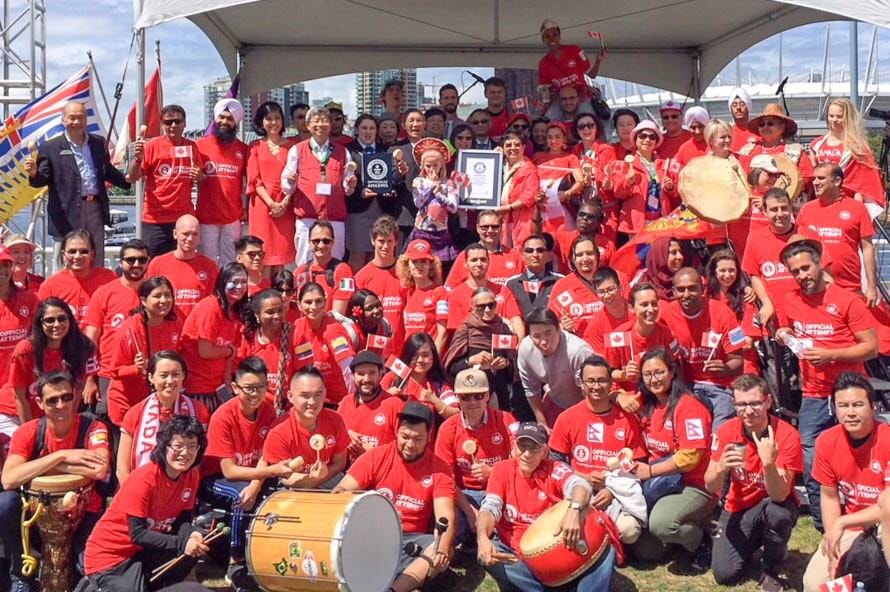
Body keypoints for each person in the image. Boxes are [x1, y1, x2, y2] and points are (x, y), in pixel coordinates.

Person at [776, 239, 877, 531]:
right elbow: (788, 327)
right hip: (814, 393)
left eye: (806, 267)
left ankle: (867, 520)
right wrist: (785, 333)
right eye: (795, 271)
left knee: (862, 456)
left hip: (850, 391)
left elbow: (870, 347)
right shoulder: (791, 299)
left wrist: (831, 355)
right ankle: (825, 527)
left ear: (820, 264)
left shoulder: (847, 300)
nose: (802, 275)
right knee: (812, 456)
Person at [0, 371, 109, 591]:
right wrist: (60, 456)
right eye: (52, 400)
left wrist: (38, 465)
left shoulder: (94, 427)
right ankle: (20, 575)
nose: (61, 405)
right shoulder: (28, 431)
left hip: (84, 511)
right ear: (39, 402)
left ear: (75, 395)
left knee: (85, 570)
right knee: (5, 503)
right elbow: (8, 479)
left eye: (67, 397)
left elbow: (99, 469)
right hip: (37, 514)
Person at [476, 421, 617, 592]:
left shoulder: (555, 469)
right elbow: (490, 508)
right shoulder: (501, 470)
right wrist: (482, 537)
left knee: (604, 550)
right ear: (514, 447)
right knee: (491, 554)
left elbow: (581, 486)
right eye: (522, 446)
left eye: (534, 448)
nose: (527, 454)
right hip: (519, 557)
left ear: (544, 451)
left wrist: (574, 510)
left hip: (558, 552)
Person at [334, 401, 457, 592]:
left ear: (429, 437)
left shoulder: (440, 469)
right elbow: (340, 492)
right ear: (396, 432)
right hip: (372, 535)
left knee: (441, 547)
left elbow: (446, 517)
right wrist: (370, 512)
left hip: (410, 541)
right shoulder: (376, 456)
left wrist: (441, 549)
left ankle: (395, 589)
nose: (410, 445)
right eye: (405, 437)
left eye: (417, 439)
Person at [80, 415, 209, 592]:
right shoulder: (144, 479)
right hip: (110, 556)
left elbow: (183, 520)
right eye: (178, 446)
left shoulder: (191, 475)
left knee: (192, 551)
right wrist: (182, 542)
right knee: (182, 547)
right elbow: (138, 534)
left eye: (192, 446)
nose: (186, 453)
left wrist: (192, 535)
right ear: (164, 446)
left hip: (142, 550)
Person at [705, 374, 803, 590]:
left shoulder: (787, 435)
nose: (748, 411)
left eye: (755, 403)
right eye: (741, 404)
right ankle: (758, 541)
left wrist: (768, 463)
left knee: (779, 513)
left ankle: (771, 569)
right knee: (725, 574)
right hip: (738, 507)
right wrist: (721, 468)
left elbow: (780, 495)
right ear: (734, 404)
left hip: (773, 503)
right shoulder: (726, 431)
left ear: (768, 401)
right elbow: (710, 486)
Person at [801, 372, 890, 592]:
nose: (850, 412)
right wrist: (833, 536)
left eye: (858, 404)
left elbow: (888, 507)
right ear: (835, 408)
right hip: (853, 525)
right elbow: (829, 495)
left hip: (887, 523)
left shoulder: (888, 439)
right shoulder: (826, 441)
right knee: (814, 584)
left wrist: (843, 523)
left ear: (873, 406)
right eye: (843, 405)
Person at [201, 356, 281, 590]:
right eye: (249, 388)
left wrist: (257, 483)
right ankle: (235, 561)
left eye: (261, 386)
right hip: (215, 478)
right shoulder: (223, 416)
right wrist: (261, 478)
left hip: (254, 475)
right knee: (240, 496)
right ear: (235, 388)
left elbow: (269, 453)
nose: (255, 393)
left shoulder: (268, 411)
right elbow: (229, 470)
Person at [549, 355, 647, 544]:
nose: (596, 386)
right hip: (577, 489)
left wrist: (612, 490)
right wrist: (583, 477)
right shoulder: (567, 417)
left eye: (602, 380)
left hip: (615, 492)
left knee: (629, 532)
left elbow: (638, 464)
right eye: (591, 381)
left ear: (611, 383)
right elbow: (555, 461)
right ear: (582, 384)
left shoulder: (628, 420)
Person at [634, 348, 716, 563]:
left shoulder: (689, 406)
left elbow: (690, 458)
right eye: (647, 374)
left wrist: (649, 471)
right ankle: (676, 540)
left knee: (662, 525)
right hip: (660, 483)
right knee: (646, 552)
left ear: (672, 372)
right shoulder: (648, 405)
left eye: (659, 372)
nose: (654, 379)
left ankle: (702, 537)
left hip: (694, 484)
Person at [25, 101, 130, 267]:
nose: (76, 122)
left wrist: (128, 180)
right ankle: (62, 293)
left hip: (95, 207)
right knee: (65, 261)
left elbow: (107, 170)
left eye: (80, 118)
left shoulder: (98, 142)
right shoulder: (50, 147)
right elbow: (41, 179)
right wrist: (33, 173)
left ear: (86, 120)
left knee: (95, 257)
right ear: (63, 120)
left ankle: (96, 292)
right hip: (67, 211)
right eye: (72, 118)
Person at [436, 367, 517, 543]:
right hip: (465, 495)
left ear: (488, 395)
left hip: (500, 491)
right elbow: (445, 479)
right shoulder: (448, 428)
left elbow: (519, 462)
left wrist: (494, 473)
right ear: (458, 398)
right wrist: (470, 511)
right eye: (466, 396)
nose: (473, 401)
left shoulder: (506, 420)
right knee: (452, 527)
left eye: (478, 395)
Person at [659, 267, 745, 427]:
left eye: (692, 288)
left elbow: (739, 362)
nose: (686, 294)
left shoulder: (723, 312)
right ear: (673, 291)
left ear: (702, 289)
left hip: (719, 386)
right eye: (681, 289)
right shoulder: (665, 316)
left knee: (721, 435)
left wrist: (725, 368)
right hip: (683, 386)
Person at [0, 297, 97, 428]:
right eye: (49, 320)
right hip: (13, 414)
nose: (57, 324)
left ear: (70, 320)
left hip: (51, 415)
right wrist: (31, 434)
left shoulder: (82, 347)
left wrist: (65, 424)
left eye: (62, 319)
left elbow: (77, 392)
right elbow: (20, 398)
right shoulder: (26, 349)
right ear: (40, 323)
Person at [117, 351, 209, 484]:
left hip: (182, 488)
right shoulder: (135, 413)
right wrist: (132, 493)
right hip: (141, 487)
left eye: (176, 374)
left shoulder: (198, 410)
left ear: (183, 376)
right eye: (163, 375)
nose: (170, 381)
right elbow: (122, 469)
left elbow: (199, 457)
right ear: (151, 377)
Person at [280, 107, 358, 266]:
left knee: (334, 264)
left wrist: (351, 184)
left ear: (330, 124)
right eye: (316, 120)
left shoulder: (342, 152)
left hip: (334, 218)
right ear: (308, 125)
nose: (320, 124)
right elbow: (286, 188)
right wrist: (291, 181)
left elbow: (348, 189)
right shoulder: (297, 150)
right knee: (304, 263)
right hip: (307, 217)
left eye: (324, 120)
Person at [796, 162, 878, 305]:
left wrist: (871, 286)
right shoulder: (806, 210)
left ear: (837, 181)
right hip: (816, 289)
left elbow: (867, 248)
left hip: (850, 288)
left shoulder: (857, 209)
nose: (815, 182)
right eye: (814, 178)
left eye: (821, 178)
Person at [106, 276, 184, 427]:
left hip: (157, 404)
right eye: (157, 296)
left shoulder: (175, 323)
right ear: (143, 300)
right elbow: (114, 371)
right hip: (128, 405)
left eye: (168, 295)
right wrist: (136, 369)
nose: (164, 300)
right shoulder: (129, 329)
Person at [84, 239, 150, 415]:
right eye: (130, 260)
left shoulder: (153, 294)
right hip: (109, 375)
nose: (136, 264)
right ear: (121, 262)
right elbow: (90, 340)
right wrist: (90, 379)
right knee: (108, 427)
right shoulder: (105, 293)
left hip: (146, 376)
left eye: (142, 260)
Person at [129, 104, 205, 257]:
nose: (173, 125)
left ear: (185, 123)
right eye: (168, 122)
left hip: (182, 219)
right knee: (151, 266)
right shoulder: (151, 146)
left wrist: (199, 176)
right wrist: (137, 160)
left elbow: (201, 178)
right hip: (154, 220)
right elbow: (132, 177)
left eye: (177, 121)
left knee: (181, 263)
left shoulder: (192, 146)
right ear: (162, 124)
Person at [179, 262, 249, 412]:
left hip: (217, 387)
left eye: (244, 282)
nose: (240, 286)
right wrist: (228, 351)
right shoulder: (211, 307)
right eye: (234, 282)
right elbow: (205, 351)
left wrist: (227, 381)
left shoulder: (234, 311)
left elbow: (232, 350)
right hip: (197, 388)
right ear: (223, 282)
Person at [262, 367, 349, 489]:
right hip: (293, 485)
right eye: (305, 396)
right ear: (291, 396)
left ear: (325, 393)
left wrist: (322, 477)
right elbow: (285, 477)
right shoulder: (278, 431)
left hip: (329, 476)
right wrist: (312, 480)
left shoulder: (335, 420)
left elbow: (339, 462)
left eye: (318, 394)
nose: (312, 402)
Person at [443, 287, 518, 410]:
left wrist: (505, 364)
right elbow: (451, 369)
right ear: (472, 309)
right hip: (473, 395)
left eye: (491, 305)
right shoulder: (465, 329)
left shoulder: (504, 328)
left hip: (499, 396)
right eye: (481, 307)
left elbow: (513, 371)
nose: (487, 310)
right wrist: (471, 361)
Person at [809, 97, 885, 218]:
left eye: (839, 116)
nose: (834, 120)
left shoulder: (858, 148)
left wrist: (856, 210)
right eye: (831, 115)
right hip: (820, 202)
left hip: (846, 203)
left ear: (848, 118)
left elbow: (863, 182)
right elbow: (812, 174)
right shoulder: (816, 144)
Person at [518, 308, 593, 427]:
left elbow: (590, 390)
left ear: (559, 329)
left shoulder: (578, 351)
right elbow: (530, 388)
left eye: (548, 333)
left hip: (584, 403)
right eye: (536, 336)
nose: (543, 341)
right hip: (555, 399)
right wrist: (541, 421)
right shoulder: (526, 348)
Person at [195, 99, 248, 266]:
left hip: (233, 218)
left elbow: (247, 183)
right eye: (221, 117)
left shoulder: (243, 149)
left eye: (230, 118)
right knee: (207, 263)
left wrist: (245, 209)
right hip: (206, 217)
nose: (224, 121)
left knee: (231, 264)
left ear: (236, 123)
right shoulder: (199, 145)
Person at [248, 100, 297, 277]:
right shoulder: (255, 146)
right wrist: (271, 204)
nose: (273, 122)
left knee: (280, 259)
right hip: (262, 205)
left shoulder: (293, 146)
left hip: (286, 203)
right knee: (261, 256)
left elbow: (296, 177)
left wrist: (284, 202)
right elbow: (254, 179)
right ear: (261, 121)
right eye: (269, 118)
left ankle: (279, 298)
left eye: (277, 118)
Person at [345, 113, 400, 270]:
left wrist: (392, 190)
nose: (368, 132)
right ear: (357, 130)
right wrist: (360, 192)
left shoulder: (387, 150)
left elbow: (394, 178)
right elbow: (344, 181)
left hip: (382, 209)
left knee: (379, 255)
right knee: (358, 254)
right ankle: (353, 292)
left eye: (371, 128)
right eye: (364, 128)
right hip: (359, 210)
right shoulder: (349, 151)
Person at [604, 283, 678, 393]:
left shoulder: (667, 333)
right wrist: (625, 375)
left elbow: (675, 367)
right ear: (631, 308)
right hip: (628, 396)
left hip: (658, 394)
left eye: (654, 304)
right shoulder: (617, 336)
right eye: (644, 305)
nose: (651, 309)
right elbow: (607, 372)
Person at [290, 282, 356, 406]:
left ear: (325, 303)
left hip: (336, 401)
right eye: (308, 302)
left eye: (318, 301)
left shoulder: (334, 329)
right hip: (308, 400)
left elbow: (348, 367)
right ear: (299, 305)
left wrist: (351, 401)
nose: (314, 307)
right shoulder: (297, 327)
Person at [611, 120, 679, 237]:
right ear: (635, 139)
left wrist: (671, 187)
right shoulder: (627, 164)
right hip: (637, 222)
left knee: (659, 254)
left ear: (656, 141)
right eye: (642, 136)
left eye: (652, 137)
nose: (647, 140)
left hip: (661, 220)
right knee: (640, 255)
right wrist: (628, 182)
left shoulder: (664, 164)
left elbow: (675, 193)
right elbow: (618, 193)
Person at [37, 229, 116, 327]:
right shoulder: (50, 286)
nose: (78, 256)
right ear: (63, 255)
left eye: (84, 251)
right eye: (72, 252)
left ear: (92, 254)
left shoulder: (109, 278)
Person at [145, 214, 219, 318]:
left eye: (195, 234)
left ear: (200, 237)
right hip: (167, 327)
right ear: (175, 234)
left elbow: (213, 303)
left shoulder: (210, 266)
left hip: (196, 329)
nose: (190, 239)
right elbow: (148, 299)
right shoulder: (157, 264)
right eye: (185, 234)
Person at [705, 248, 762, 374]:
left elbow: (746, 342)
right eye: (722, 270)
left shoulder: (746, 297)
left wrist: (722, 339)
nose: (727, 275)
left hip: (744, 366)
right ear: (714, 272)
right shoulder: (705, 296)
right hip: (712, 364)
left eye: (732, 270)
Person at [337, 350, 403, 460]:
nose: (366, 379)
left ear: (381, 373)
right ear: (353, 376)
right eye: (361, 374)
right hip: (346, 473)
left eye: (372, 373)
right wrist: (346, 436)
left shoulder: (395, 405)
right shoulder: (345, 403)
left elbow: (404, 449)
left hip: (381, 473)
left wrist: (371, 453)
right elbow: (332, 439)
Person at [446, 243, 521, 338]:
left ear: (489, 262)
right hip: (473, 347)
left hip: (502, 346)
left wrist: (519, 345)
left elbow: (516, 320)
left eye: (483, 259)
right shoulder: (455, 295)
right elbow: (457, 332)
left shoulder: (502, 290)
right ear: (465, 264)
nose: (479, 264)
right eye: (474, 260)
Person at [235, 289, 293, 413]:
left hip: (288, 408)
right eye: (270, 312)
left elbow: (304, 374)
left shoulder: (295, 334)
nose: (276, 316)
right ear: (257, 315)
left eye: (280, 310)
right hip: (256, 407)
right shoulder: (248, 337)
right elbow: (241, 375)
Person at [739, 103, 813, 199]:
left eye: (770, 124)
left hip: (782, 205)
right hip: (751, 204)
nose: (765, 127)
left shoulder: (795, 150)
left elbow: (808, 180)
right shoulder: (747, 150)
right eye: (762, 124)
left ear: (782, 127)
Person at [380, 332, 459, 423]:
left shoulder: (439, 385)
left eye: (425, 355)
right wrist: (387, 396)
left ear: (433, 356)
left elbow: (456, 415)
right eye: (415, 355)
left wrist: (434, 400)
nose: (420, 360)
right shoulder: (393, 377)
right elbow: (373, 406)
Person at [354, 215, 406, 346]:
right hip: (373, 351)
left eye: (389, 241)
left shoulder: (406, 273)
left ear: (396, 241)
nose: (385, 246)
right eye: (381, 241)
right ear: (373, 241)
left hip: (402, 350)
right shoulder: (360, 278)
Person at [408, 137, 460, 263]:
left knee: (440, 265)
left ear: (441, 165)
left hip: (441, 231)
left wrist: (439, 194)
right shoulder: (418, 181)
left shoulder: (448, 183)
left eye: (435, 165)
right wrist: (431, 186)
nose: (431, 169)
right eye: (428, 165)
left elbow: (453, 208)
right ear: (422, 166)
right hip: (422, 230)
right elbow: (418, 203)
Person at [549, 236, 613, 335]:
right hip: (579, 346)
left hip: (610, 342)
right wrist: (562, 326)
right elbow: (550, 324)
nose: (585, 258)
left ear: (597, 256)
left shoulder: (615, 279)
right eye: (579, 255)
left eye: (589, 253)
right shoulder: (561, 286)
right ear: (572, 259)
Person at [446, 210, 524, 289]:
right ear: (477, 228)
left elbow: (525, 289)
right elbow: (450, 289)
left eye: (495, 227)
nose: (490, 231)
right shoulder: (465, 255)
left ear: (501, 227)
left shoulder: (515, 257)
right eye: (485, 227)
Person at [397, 239, 448, 354]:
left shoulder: (440, 292)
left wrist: (433, 360)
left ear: (431, 265)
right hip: (410, 357)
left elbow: (443, 333)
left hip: (428, 358)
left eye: (424, 261)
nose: (419, 266)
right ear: (407, 264)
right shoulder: (408, 293)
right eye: (414, 261)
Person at [533, 122, 586, 232]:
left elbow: (580, 181)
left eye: (557, 137)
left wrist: (567, 193)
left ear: (564, 139)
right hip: (540, 208)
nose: (553, 141)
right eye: (550, 137)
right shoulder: (537, 156)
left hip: (562, 208)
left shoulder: (571, 157)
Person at [292, 220, 355, 314]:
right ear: (309, 242)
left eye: (326, 241)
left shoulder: (345, 271)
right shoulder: (300, 272)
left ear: (333, 242)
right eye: (316, 241)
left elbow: (339, 314)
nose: (321, 245)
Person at [500, 234, 563, 322]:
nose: (535, 255)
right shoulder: (511, 284)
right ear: (522, 255)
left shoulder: (560, 281)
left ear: (548, 255)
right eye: (529, 251)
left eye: (540, 250)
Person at [497, 133, 541, 249]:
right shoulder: (499, 165)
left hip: (522, 219)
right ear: (503, 148)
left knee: (522, 250)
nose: (513, 148)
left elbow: (529, 196)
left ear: (523, 148)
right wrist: (493, 156)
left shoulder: (529, 168)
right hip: (502, 219)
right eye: (508, 145)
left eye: (517, 145)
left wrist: (509, 207)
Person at [391, 109, 427, 239]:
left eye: (419, 120)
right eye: (411, 121)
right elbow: (391, 180)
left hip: (430, 215)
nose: (415, 124)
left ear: (425, 124)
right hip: (405, 215)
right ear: (404, 125)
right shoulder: (395, 149)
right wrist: (400, 174)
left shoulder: (433, 147)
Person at [552, 200, 615, 273]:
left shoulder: (608, 244)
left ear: (598, 222)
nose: (584, 218)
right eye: (581, 214)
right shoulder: (562, 238)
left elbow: (613, 272)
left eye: (590, 217)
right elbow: (539, 240)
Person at [580, 266, 630, 353]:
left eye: (610, 289)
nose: (607, 295)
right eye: (601, 292)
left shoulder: (637, 311)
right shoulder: (595, 325)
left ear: (620, 287)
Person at [340, 289, 395, 357]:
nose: (376, 311)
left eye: (378, 305)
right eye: (370, 308)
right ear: (358, 313)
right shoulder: (351, 333)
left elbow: (382, 358)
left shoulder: (385, 325)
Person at [635, 236, 684, 301]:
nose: (680, 257)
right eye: (673, 252)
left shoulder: (686, 281)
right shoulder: (642, 286)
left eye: (681, 252)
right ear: (659, 256)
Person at [728, 87, 758, 152]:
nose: (738, 108)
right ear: (731, 109)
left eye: (742, 104)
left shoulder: (758, 131)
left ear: (748, 107)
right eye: (734, 105)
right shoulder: (727, 132)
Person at [484, 76, 510, 142]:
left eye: (499, 92)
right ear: (485, 94)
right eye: (492, 92)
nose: (496, 95)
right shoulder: (477, 118)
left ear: (505, 93)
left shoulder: (512, 116)